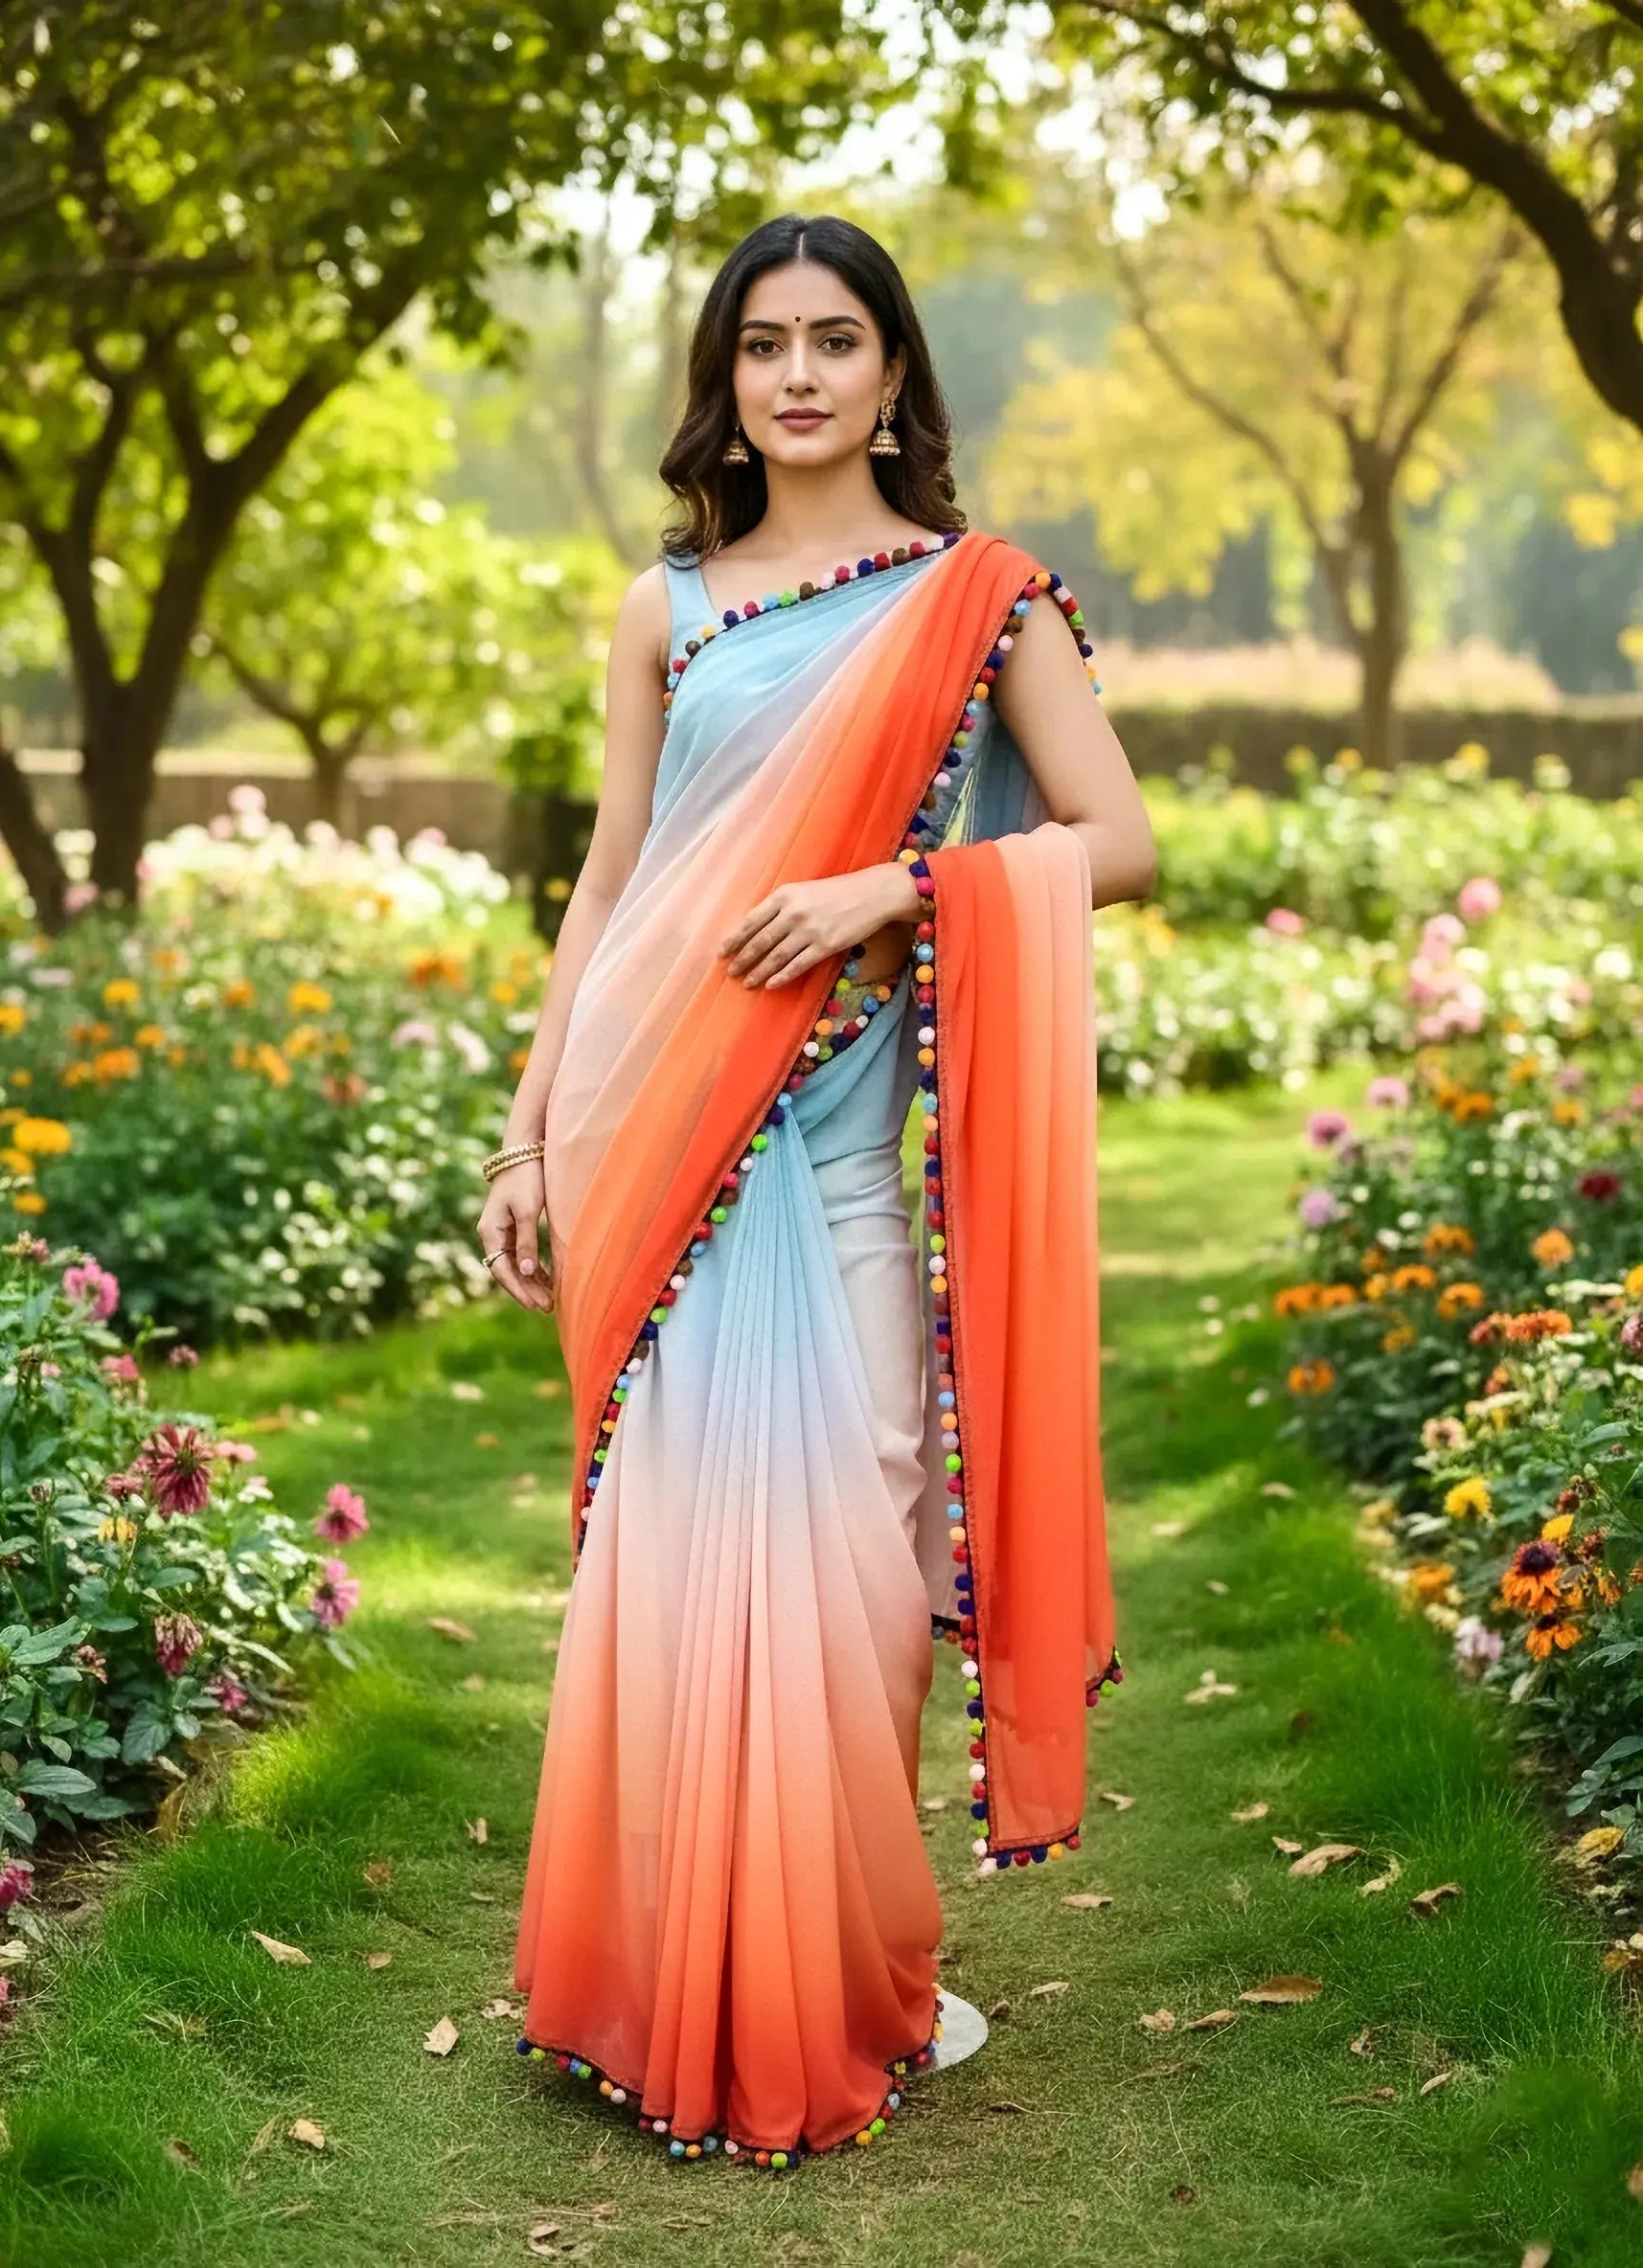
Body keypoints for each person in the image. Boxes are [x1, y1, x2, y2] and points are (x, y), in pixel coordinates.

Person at [480, 211, 1158, 2170]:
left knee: (860, 1579)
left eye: (835, 340)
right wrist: (531, 1128)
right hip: (650, 1132)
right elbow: (611, 885)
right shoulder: (667, 607)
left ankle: (838, 1961)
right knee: (683, 1574)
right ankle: (677, 1969)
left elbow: (1116, 839)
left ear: (891, 373)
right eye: (762, 343)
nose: (795, 375)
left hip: (844, 1148)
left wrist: (900, 886)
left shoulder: (978, 598)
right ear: (726, 379)